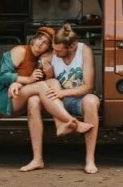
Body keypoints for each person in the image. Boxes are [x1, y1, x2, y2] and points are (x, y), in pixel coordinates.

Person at [20, 24, 101, 174]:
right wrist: (49, 74)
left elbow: (88, 86)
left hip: (78, 99)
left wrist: (63, 94)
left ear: (71, 47)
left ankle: (90, 160)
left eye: (59, 50)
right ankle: (37, 159)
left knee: (91, 101)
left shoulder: (84, 51)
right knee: (33, 101)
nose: (55, 53)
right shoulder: (51, 55)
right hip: (56, 101)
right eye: (53, 49)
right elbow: (43, 83)